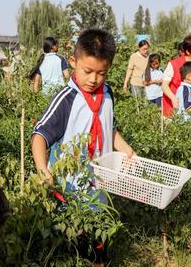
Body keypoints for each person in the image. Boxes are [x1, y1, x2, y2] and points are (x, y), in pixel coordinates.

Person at [31, 29, 135, 184]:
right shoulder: (67, 99)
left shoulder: (107, 94)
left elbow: (109, 128)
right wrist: (42, 170)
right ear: (73, 61)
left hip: (100, 187)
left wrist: (128, 151)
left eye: (101, 73)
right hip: (69, 189)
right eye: (87, 71)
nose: (93, 79)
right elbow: (39, 136)